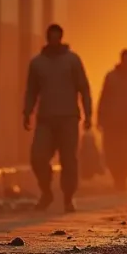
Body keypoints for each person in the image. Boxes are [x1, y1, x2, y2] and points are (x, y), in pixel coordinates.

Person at [23, 23, 93, 213]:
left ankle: (69, 198)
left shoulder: (72, 60)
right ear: (47, 38)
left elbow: (83, 88)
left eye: (57, 37)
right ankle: (46, 191)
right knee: (38, 158)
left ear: (61, 38)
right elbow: (31, 90)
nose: (54, 41)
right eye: (51, 37)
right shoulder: (37, 63)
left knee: (69, 160)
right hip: (45, 118)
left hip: (69, 118)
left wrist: (88, 114)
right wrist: (27, 112)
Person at [97, 48, 127, 190]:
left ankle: (122, 178)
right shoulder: (111, 77)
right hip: (111, 120)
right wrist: (100, 117)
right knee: (111, 150)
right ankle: (115, 176)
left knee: (126, 150)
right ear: (121, 59)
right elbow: (104, 97)